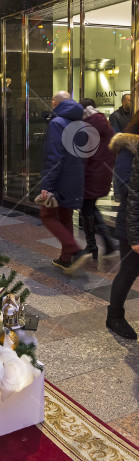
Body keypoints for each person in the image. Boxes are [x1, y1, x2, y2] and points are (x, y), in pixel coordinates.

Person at [39, 91, 90, 273]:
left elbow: (55, 156)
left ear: (55, 103)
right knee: (65, 216)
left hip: (60, 179)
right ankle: (65, 259)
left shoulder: (56, 123)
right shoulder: (79, 123)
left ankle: (73, 249)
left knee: (47, 215)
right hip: (75, 177)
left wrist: (48, 185)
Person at [107, 111, 139, 338]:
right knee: (129, 271)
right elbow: (128, 190)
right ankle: (114, 317)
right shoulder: (129, 148)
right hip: (132, 221)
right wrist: (134, 236)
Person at [79, 98, 116, 262]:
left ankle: (92, 245)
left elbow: (85, 152)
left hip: (91, 173)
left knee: (87, 208)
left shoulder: (90, 124)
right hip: (102, 172)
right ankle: (107, 243)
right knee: (91, 208)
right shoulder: (103, 121)